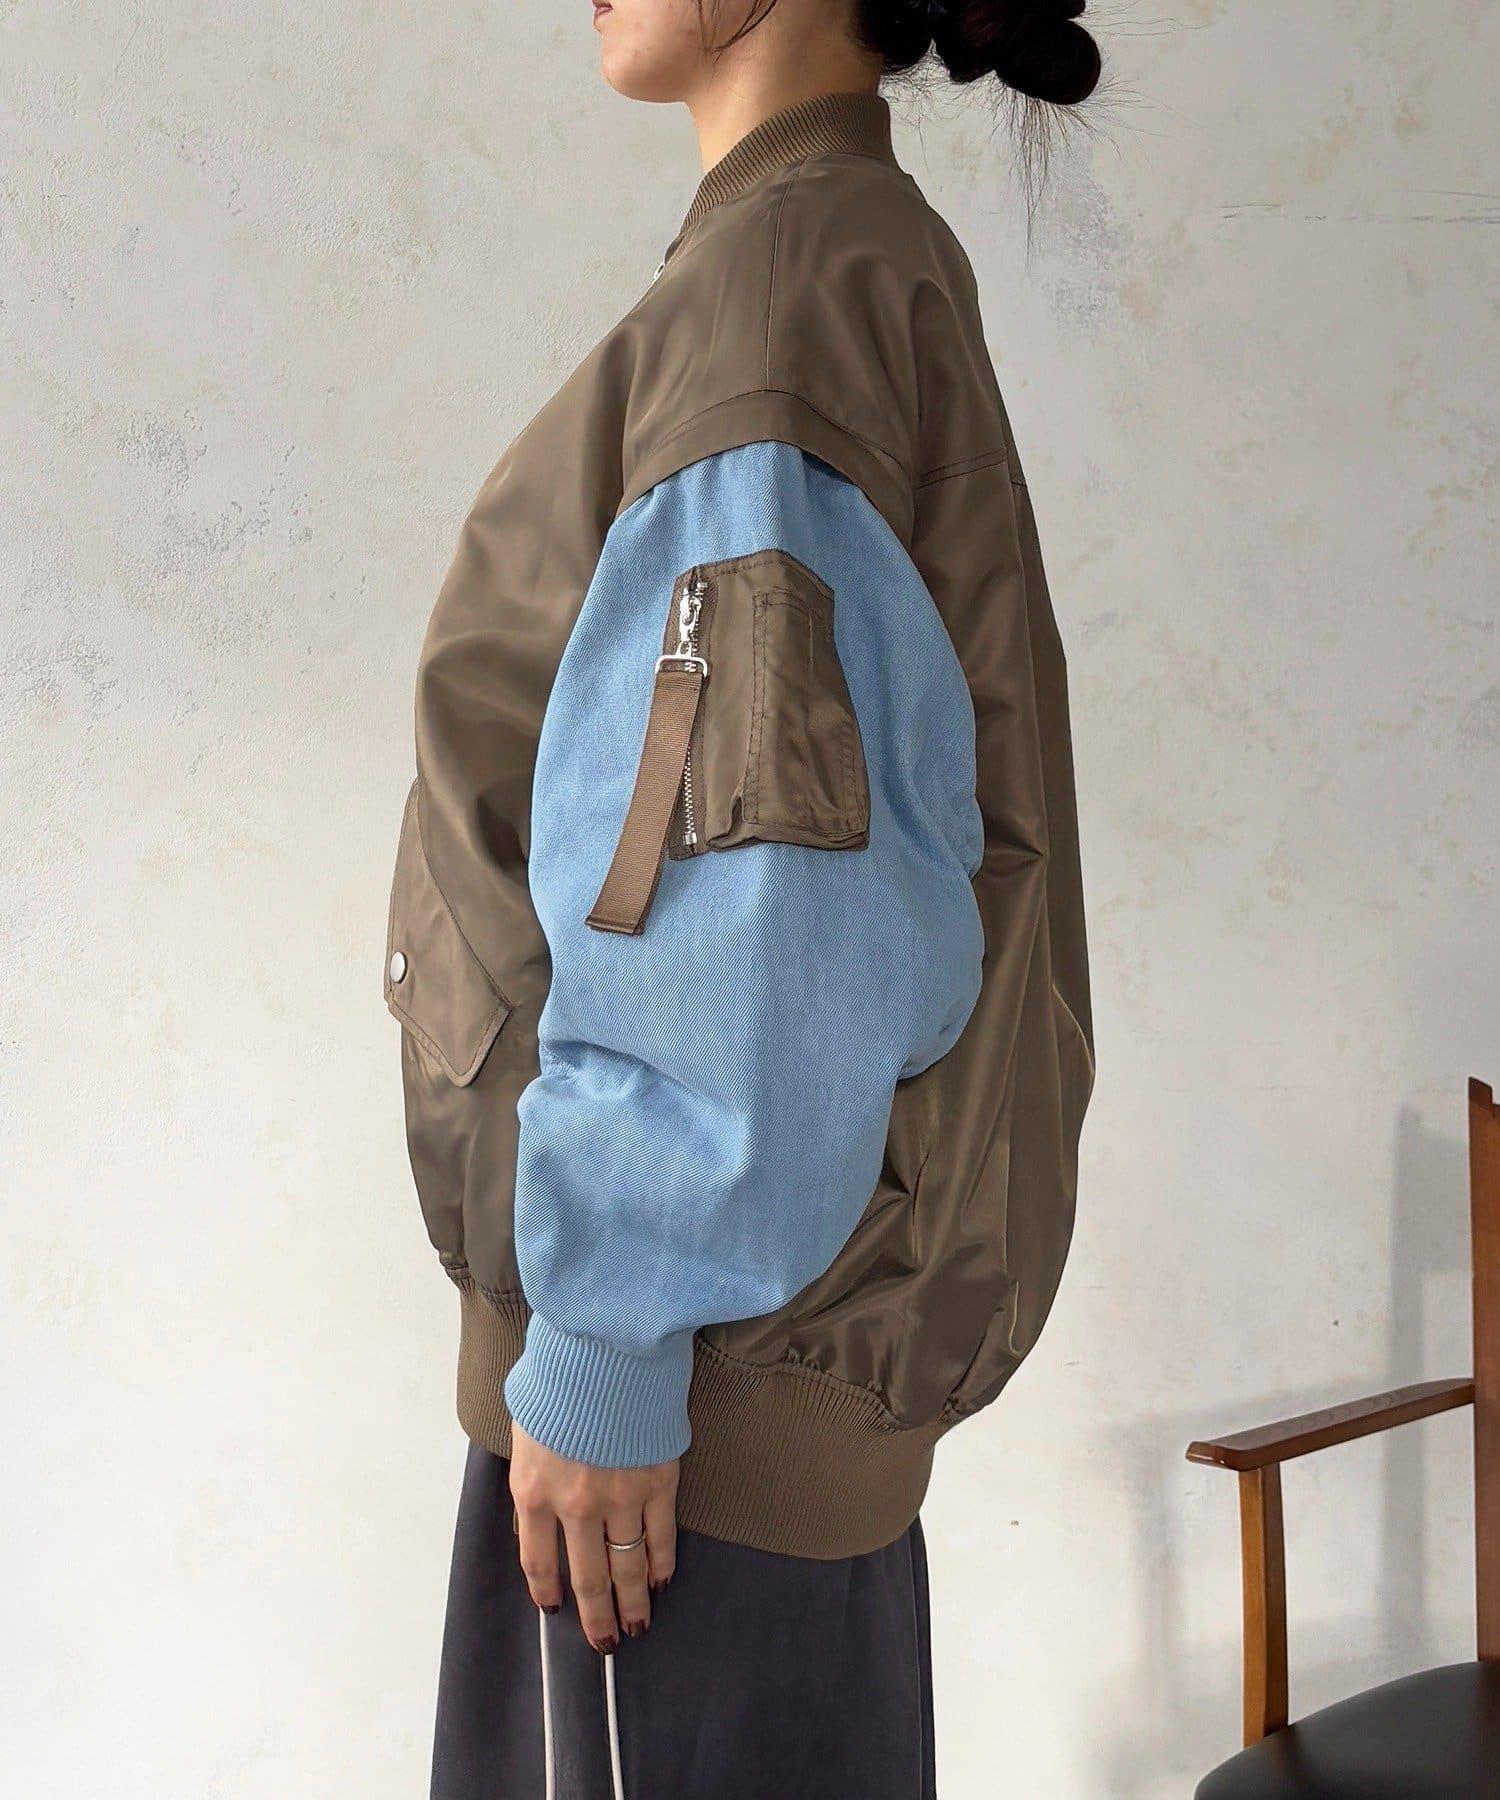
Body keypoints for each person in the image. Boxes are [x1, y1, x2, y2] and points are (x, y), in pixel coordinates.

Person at [385, 2, 1099, 1793]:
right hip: (705, 1408)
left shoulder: (777, 294)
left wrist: (611, 1334)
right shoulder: (825, 261)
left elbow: (760, 893)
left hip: (673, 1427)